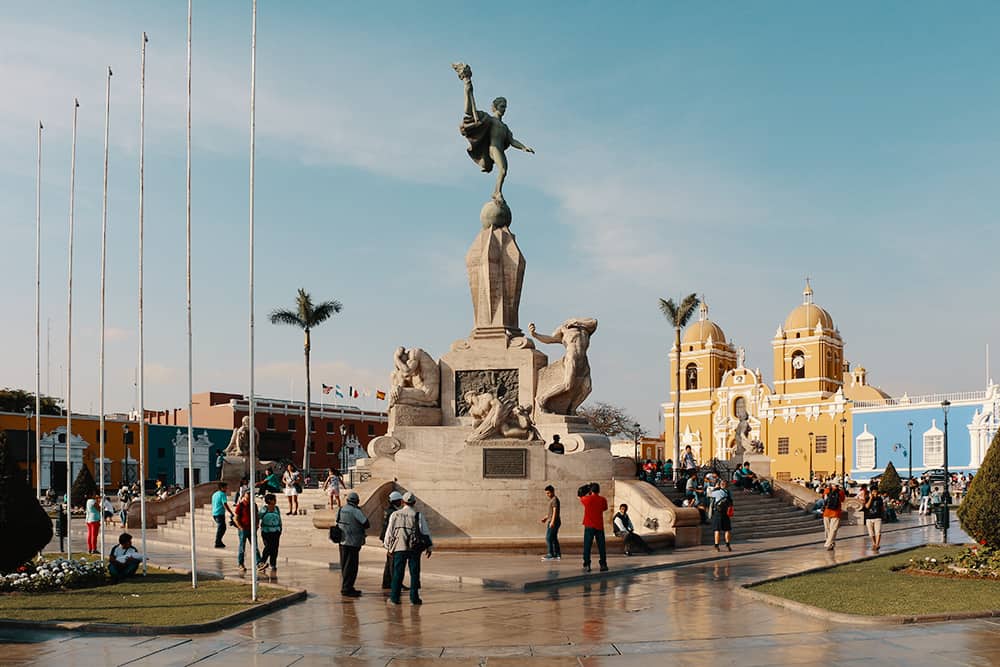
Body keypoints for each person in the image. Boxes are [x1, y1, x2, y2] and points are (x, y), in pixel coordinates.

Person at [383, 492, 432, 605]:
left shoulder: (395, 514)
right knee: (414, 573)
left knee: (397, 573)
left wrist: (388, 547)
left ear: (402, 502)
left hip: (399, 547)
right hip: (414, 548)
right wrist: (429, 547)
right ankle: (414, 599)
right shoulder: (417, 515)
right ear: (414, 503)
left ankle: (394, 598)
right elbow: (425, 532)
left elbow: (389, 532)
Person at [336, 491, 371, 597]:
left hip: (342, 541)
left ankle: (347, 586)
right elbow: (366, 523)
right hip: (353, 542)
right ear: (357, 501)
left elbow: (337, 521)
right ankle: (347, 588)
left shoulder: (341, 509)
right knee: (351, 566)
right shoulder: (355, 511)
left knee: (344, 565)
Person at [580, 482, 608, 573]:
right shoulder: (603, 500)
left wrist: (586, 489)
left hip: (589, 525)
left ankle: (587, 564)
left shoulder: (586, 499)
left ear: (590, 490)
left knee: (587, 546)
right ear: (599, 490)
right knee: (601, 546)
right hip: (599, 525)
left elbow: (579, 494)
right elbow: (604, 508)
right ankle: (603, 564)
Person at [381, 491, 405, 590]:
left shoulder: (388, 511)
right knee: (393, 562)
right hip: (392, 539)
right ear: (395, 501)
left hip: (386, 537)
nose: (401, 503)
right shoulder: (394, 513)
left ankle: (387, 582)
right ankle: (395, 583)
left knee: (389, 562)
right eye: (399, 501)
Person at [234, 491, 260, 573]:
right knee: (242, 547)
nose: (249, 499)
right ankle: (241, 563)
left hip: (252, 529)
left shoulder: (254, 505)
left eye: (250, 497)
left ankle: (259, 563)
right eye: (247, 497)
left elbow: (257, 516)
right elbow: (236, 518)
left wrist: (256, 525)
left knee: (255, 546)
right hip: (243, 529)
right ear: (244, 497)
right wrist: (240, 527)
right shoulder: (240, 505)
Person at [258, 493, 282, 576]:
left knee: (275, 548)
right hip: (266, 531)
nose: (275, 501)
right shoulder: (264, 509)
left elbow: (279, 519)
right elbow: (259, 517)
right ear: (269, 500)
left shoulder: (277, 509)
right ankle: (262, 562)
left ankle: (273, 564)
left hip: (276, 531)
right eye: (274, 499)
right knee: (268, 547)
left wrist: (280, 529)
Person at [710, 480, 734, 552]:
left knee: (717, 530)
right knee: (727, 529)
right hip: (725, 513)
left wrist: (715, 488)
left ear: (720, 485)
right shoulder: (728, 492)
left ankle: (717, 546)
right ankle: (728, 545)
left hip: (718, 513)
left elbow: (709, 494)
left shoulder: (716, 492)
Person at [822, 481, 846, 550]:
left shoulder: (826, 490)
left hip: (827, 512)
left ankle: (828, 543)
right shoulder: (841, 492)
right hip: (836, 512)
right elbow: (842, 500)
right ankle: (831, 543)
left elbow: (825, 499)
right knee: (833, 529)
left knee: (828, 529)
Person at [540, 485, 561, 561]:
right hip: (554, 521)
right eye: (546, 493)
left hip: (554, 522)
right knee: (554, 538)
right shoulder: (552, 499)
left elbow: (555, 511)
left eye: (548, 493)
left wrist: (552, 521)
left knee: (548, 538)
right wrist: (546, 518)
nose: (547, 495)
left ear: (552, 491)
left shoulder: (554, 500)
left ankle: (550, 554)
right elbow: (551, 512)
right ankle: (557, 554)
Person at [212, 482, 234, 549]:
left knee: (222, 528)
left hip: (215, 513)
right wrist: (231, 512)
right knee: (221, 528)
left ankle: (219, 541)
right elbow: (225, 504)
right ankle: (217, 542)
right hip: (219, 514)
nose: (227, 489)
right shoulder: (222, 494)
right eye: (225, 487)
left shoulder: (215, 494)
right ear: (222, 488)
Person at [864, 485, 885, 552]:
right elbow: (867, 506)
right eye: (873, 492)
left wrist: (883, 515)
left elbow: (882, 508)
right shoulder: (867, 498)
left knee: (878, 532)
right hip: (869, 518)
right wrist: (871, 498)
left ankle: (877, 544)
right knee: (871, 533)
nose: (874, 493)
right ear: (871, 492)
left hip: (877, 517)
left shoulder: (880, 499)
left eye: (875, 491)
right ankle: (874, 543)